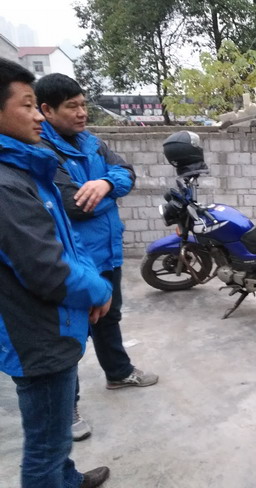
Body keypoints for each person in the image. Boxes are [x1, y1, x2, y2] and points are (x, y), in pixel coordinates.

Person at [0, 57, 112, 487]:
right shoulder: (7, 185)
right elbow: (47, 269)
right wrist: (99, 290)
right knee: (44, 448)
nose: (37, 117)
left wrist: (92, 285)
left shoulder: (26, 167)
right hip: (37, 333)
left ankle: (68, 479)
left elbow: (67, 241)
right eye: (28, 105)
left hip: (54, 323)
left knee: (54, 431)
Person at [35, 73, 158, 441]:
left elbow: (127, 173)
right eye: (72, 106)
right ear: (47, 110)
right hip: (74, 258)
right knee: (72, 331)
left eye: (83, 105)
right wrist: (110, 195)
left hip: (108, 252)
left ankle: (118, 373)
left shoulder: (93, 143)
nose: (82, 113)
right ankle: (67, 407)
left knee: (110, 317)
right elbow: (73, 205)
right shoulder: (43, 150)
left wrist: (105, 183)